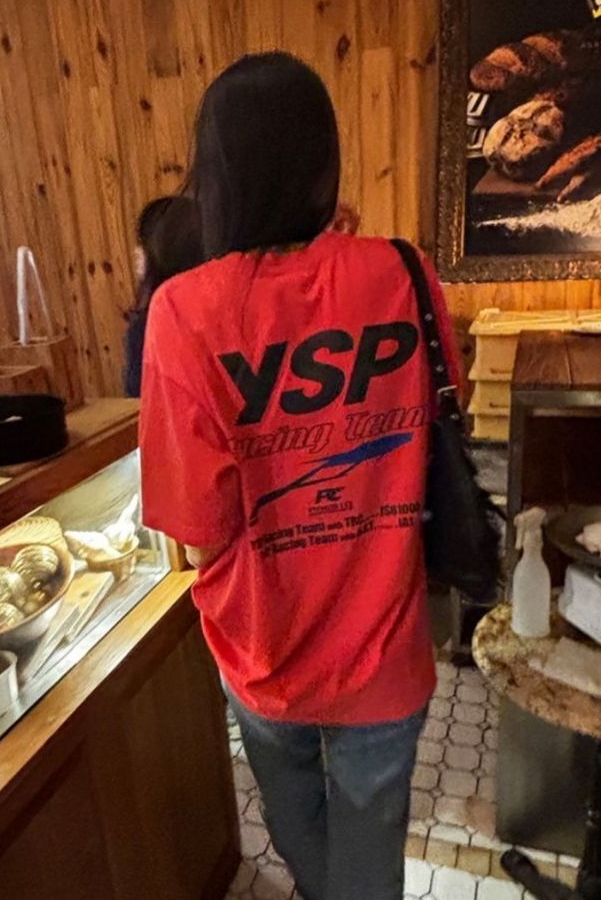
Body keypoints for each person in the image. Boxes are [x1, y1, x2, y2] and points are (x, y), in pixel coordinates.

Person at [139, 52, 459, 900]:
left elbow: (199, 532)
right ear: (326, 162)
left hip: (263, 649)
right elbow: (433, 428)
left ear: (213, 177)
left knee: (296, 829)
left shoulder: (183, 311)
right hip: (385, 643)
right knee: (368, 851)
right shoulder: (403, 271)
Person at [123, 195, 202, 397]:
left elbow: (138, 399)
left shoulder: (148, 325)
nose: (136, 252)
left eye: (142, 243)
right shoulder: (219, 308)